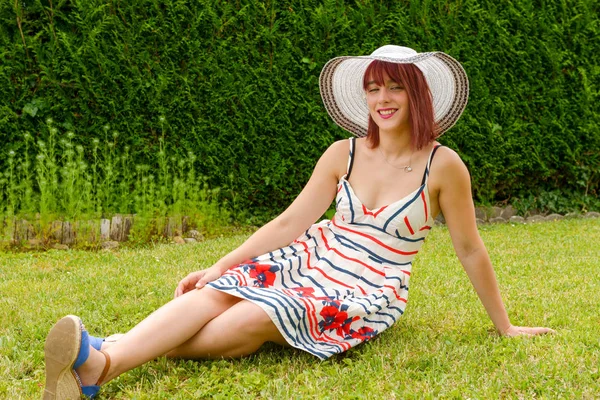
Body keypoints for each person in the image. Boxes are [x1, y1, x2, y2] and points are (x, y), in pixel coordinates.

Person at [42, 45, 554, 399]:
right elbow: (291, 223)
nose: (382, 100)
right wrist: (218, 266)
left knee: (246, 321)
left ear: (418, 95)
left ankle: (106, 353)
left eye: (395, 88)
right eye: (374, 89)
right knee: (215, 295)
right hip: (314, 255)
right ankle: (99, 366)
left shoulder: (445, 165)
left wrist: (504, 326)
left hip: (371, 285)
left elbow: (470, 248)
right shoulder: (342, 153)